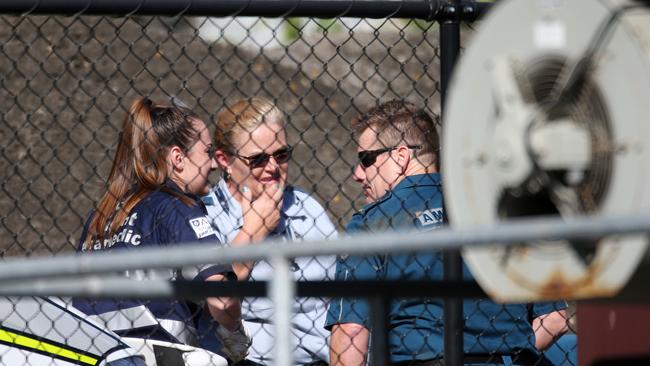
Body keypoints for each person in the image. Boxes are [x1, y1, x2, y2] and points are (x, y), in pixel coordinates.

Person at [324, 100, 569, 365]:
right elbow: (554, 319)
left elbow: (351, 333)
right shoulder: (501, 211)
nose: (357, 174)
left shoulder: (373, 224)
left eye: (366, 159)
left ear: (400, 156)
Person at [72, 97, 270, 364]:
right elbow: (222, 299)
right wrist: (235, 335)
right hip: (155, 355)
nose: (213, 165)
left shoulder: (101, 216)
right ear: (178, 158)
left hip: (93, 352)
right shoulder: (176, 207)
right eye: (207, 153)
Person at [199, 97, 337, 365]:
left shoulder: (305, 205)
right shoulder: (207, 217)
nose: (273, 167)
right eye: (258, 159)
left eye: (281, 154)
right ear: (224, 159)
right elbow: (213, 305)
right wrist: (255, 230)